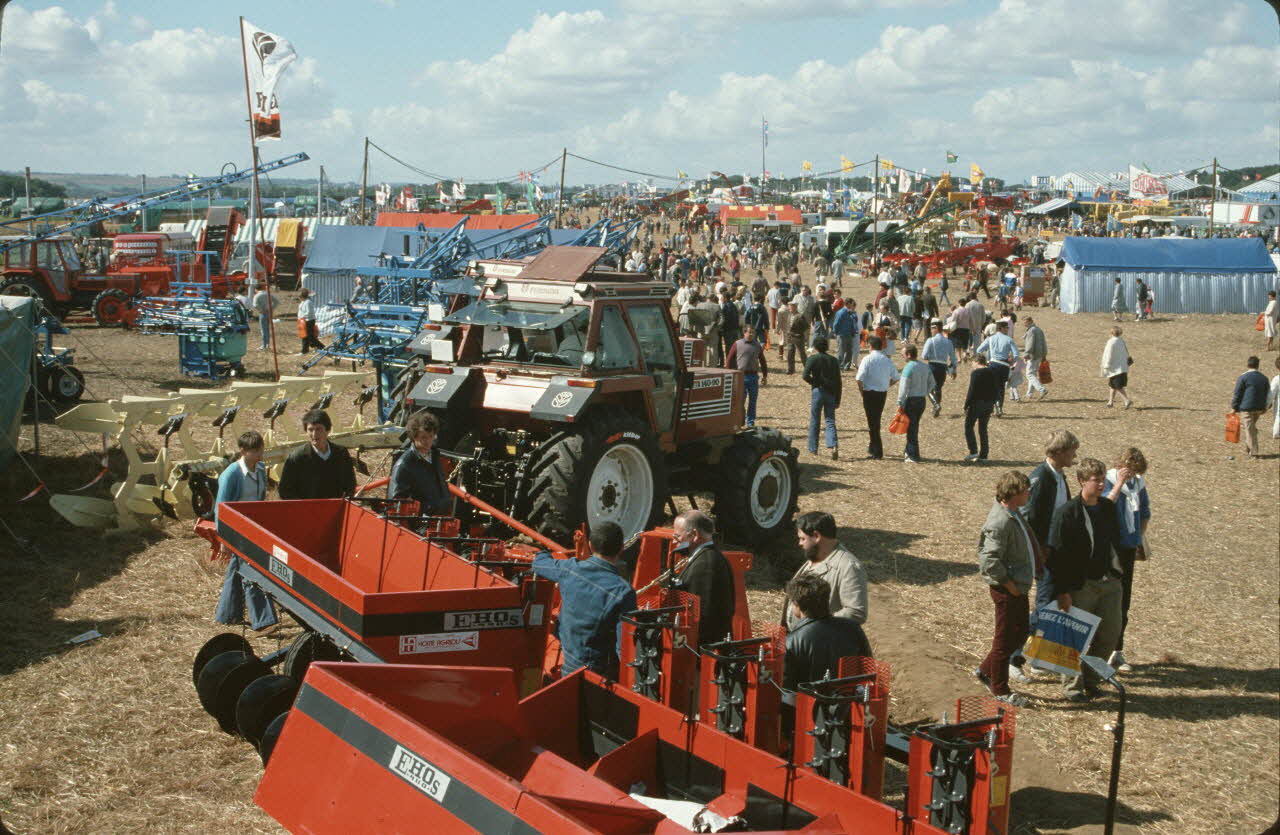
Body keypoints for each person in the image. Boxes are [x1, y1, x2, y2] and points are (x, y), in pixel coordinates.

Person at [1047, 458, 1125, 702]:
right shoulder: (1067, 513)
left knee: (1110, 635)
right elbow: (1057, 555)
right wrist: (1062, 591)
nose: (1102, 484)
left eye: (1103, 479)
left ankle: (1091, 680)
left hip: (1110, 583)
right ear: (1081, 481)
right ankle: (1072, 687)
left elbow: (1116, 543)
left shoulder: (1108, 508)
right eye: (1096, 480)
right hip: (1081, 586)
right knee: (1074, 639)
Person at [1009, 429, 1079, 683]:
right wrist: (1040, 552)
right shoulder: (1041, 478)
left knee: (1051, 607)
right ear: (1059, 452)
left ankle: (1040, 660)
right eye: (1072, 450)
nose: (1075, 455)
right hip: (1044, 555)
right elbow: (1028, 519)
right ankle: (1012, 657)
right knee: (1043, 608)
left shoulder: (1059, 476)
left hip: (1058, 553)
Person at [532, 521, 637, 678]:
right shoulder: (623, 592)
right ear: (622, 548)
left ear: (590, 545)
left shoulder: (569, 568)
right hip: (597, 674)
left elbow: (539, 564)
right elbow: (624, 648)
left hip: (569, 663)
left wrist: (543, 552)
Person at [974, 471, 1038, 707]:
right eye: (1025, 491)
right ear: (1013, 494)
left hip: (1017, 587)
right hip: (1007, 589)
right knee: (1004, 639)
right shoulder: (1000, 521)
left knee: (1019, 633)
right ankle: (1000, 688)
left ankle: (984, 671)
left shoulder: (1013, 512)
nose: (1029, 494)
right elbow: (989, 559)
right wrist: (1009, 586)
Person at [213, 431, 277, 631]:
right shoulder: (232, 474)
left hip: (252, 529)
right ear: (243, 451)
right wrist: (223, 539)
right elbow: (221, 507)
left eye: (261, 450)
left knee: (237, 568)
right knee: (252, 570)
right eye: (255, 451)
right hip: (236, 530)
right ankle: (263, 620)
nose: (260, 455)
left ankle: (228, 614)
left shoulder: (259, 470)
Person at [782, 574, 872, 692]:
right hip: (850, 704)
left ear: (796, 604)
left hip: (809, 708)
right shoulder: (853, 628)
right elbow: (868, 669)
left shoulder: (791, 642)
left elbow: (788, 690)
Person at [1104, 448, 1151, 672]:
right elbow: (1103, 508)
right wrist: (1118, 483)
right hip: (1109, 549)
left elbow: (1144, 513)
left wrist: (1139, 538)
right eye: (1130, 471)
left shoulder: (1138, 486)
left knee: (1124, 600)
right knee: (1107, 599)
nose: (1133, 476)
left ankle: (1117, 650)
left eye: (1136, 473)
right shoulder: (1108, 480)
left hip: (1128, 548)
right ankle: (1100, 650)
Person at [784, 511, 868, 630]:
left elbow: (856, 612)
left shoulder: (848, 566)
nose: (799, 543)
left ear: (817, 536)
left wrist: (817, 624)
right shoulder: (815, 557)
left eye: (803, 539)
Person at [669, 510, 736, 648]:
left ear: (694, 535)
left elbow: (704, 614)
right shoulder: (708, 557)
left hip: (702, 650)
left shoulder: (706, 565)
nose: (674, 541)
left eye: (677, 536)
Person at [278, 409, 357, 500]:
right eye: (310, 430)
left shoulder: (341, 453)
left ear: (328, 430)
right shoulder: (297, 458)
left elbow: (350, 483)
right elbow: (285, 491)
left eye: (318, 429)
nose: (314, 434)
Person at [389, 411, 452, 514]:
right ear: (414, 436)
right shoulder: (404, 464)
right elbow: (396, 500)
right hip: (420, 524)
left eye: (431, 436)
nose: (428, 441)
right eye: (423, 437)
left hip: (438, 519)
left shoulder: (435, 457)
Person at [855, 336, 900, 460]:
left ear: (870, 346)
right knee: (876, 419)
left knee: (872, 422)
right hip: (881, 393)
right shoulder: (886, 360)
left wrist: (861, 391)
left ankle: (877, 450)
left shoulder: (867, 359)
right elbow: (896, 377)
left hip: (869, 392)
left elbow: (859, 379)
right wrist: (886, 385)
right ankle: (872, 445)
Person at [803, 335, 842, 459]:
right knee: (830, 420)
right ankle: (833, 445)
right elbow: (839, 381)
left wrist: (813, 382)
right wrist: (838, 398)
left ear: (815, 346)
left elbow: (805, 375)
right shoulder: (834, 360)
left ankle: (813, 448)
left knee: (815, 420)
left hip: (818, 391)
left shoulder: (813, 359)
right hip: (831, 392)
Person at [895, 344, 934, 463]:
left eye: (903, 354)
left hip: (911, 400)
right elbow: (932, 383)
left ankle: (911, 454)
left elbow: (903, 387)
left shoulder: (908, 368)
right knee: (914, 426)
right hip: (921, 400)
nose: (902, 356)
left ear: (909, 355)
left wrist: (900, 402)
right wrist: (924, 391)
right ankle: (913, 452)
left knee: (911, 428)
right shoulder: (924, 366)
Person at [726, 325, 768, 428]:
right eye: (749, 332)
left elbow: (762, 361)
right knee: (741, 401)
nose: (751, 334)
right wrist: (729, 374)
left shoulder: (757, 345)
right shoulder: (737, 344)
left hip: (753, 376)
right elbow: (729, 359)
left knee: (753, 401)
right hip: (741, 376)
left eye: (753, 333)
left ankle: (750, 422)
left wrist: (765, 375)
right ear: (744, 333)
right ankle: (740, 420)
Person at [976, 320, 1019, 416]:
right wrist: (1011, 363)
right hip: (1004, 365)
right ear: (1001, 328)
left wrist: (984, 361)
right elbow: (1016, 354)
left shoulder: (990, 338)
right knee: (1001, 387)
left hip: (993, 364)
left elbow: (979, 350)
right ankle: (999, 407)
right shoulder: (1009, 340)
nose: (1008, 329)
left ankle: (994, 405)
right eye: (1006, 328)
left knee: (992, 386)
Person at [1231, 355, 1271, 458]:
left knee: (1249, 429)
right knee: (1250, 428)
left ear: (1247, 364)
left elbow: (1237, 393)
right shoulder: (1264, 378)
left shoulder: (1243, 377)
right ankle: (1249, 449)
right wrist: (1266, 407)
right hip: (1259, 408)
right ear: (1258, 365)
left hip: (1246, 408)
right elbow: (1269, 394)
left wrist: (1234, 407)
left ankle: (1254, 452)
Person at [963, 354, 1000, 462]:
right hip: (988, 404)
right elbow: (997, 389)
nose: (972, 365)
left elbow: (972, 390)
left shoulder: (976, 373)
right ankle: (984, 455)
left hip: (977, 403)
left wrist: (966, 405)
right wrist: (994, 403)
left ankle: (973, 451)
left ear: (976, 362)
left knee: (969, 426)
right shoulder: (993, 372)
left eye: (972, 363)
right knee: (983, 429)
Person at [920, 319, 957, 417]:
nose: (931, 330)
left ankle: (936, 405)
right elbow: (953, 358)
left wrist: (929, 357)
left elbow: (923, 356)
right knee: (938, 388)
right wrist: (954, 370)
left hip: (932, 365)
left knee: (928, 388)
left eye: (932, 328)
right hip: (943, 367)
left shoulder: (930, 340)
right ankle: (936, 408)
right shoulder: (948, 342)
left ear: (936, 328)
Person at [1101, 326, 1133, 409]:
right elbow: (1126, 352)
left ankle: (1126, 400)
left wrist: (1106, 365)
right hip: (1122, 366)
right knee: (1112, 385)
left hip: (1115, 367)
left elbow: (1108, 354)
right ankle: (1110, 402)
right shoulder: (1121, 341)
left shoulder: (1111, 342)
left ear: (1111, 333)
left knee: (1117, 386)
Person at [1022, 316, 1048, 400]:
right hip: (1039, 355)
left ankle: (1042, 389)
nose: (1023, 324)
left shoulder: (1031, 331)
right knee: (1032, 374)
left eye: (1024, 322)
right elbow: (1044, 343)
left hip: (1033, 356)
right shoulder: (1039, 329)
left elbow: (1030, 345)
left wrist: (1026, 355)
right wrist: (1044, 355)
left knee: (1029, 374)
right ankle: (1029, 394)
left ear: (1029, 321)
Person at [830, 297, 860, 371]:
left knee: (849, 351)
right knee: (841, 351)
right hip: (841, 334)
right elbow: (836, 323)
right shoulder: (841, 312)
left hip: (849, 334)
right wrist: (835, 332)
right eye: (852, 303)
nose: (853, 305)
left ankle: (847, 366)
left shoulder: (850, 312)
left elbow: (851, 323)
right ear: (848, 303)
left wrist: (853, 332)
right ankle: (840, 366)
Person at [296, 288, 325, 355]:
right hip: (303, 321)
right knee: (305, 336)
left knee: (310, 337)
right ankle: (304, 350)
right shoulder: (303, 302)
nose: (299, 297)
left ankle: (322, 347)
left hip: (309, 321)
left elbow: (309, 312)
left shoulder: (308, 302)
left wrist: (302, 316)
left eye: (300, 296)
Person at [785, 300, 809, 374]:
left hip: (798, 337)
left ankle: (807, 369)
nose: (790, 308)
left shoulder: (800, 316)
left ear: (795, 307)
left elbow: (806, 326)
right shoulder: (789, 315)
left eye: (792, 306)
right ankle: (790, 369)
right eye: (789, 306)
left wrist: (800, 333)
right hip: (790, 337)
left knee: (802, 354)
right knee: (790, 353)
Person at [252, 284, 276, 351]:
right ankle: (267, 344)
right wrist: (271, 308)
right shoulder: (267, 294)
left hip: (262, 313)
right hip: (269, 313)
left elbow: (255, 305)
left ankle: (263, 345)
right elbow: (276, 301)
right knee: (267, 329)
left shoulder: (257, 295)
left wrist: (261, 310)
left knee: (263, 329)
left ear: (256, 289)